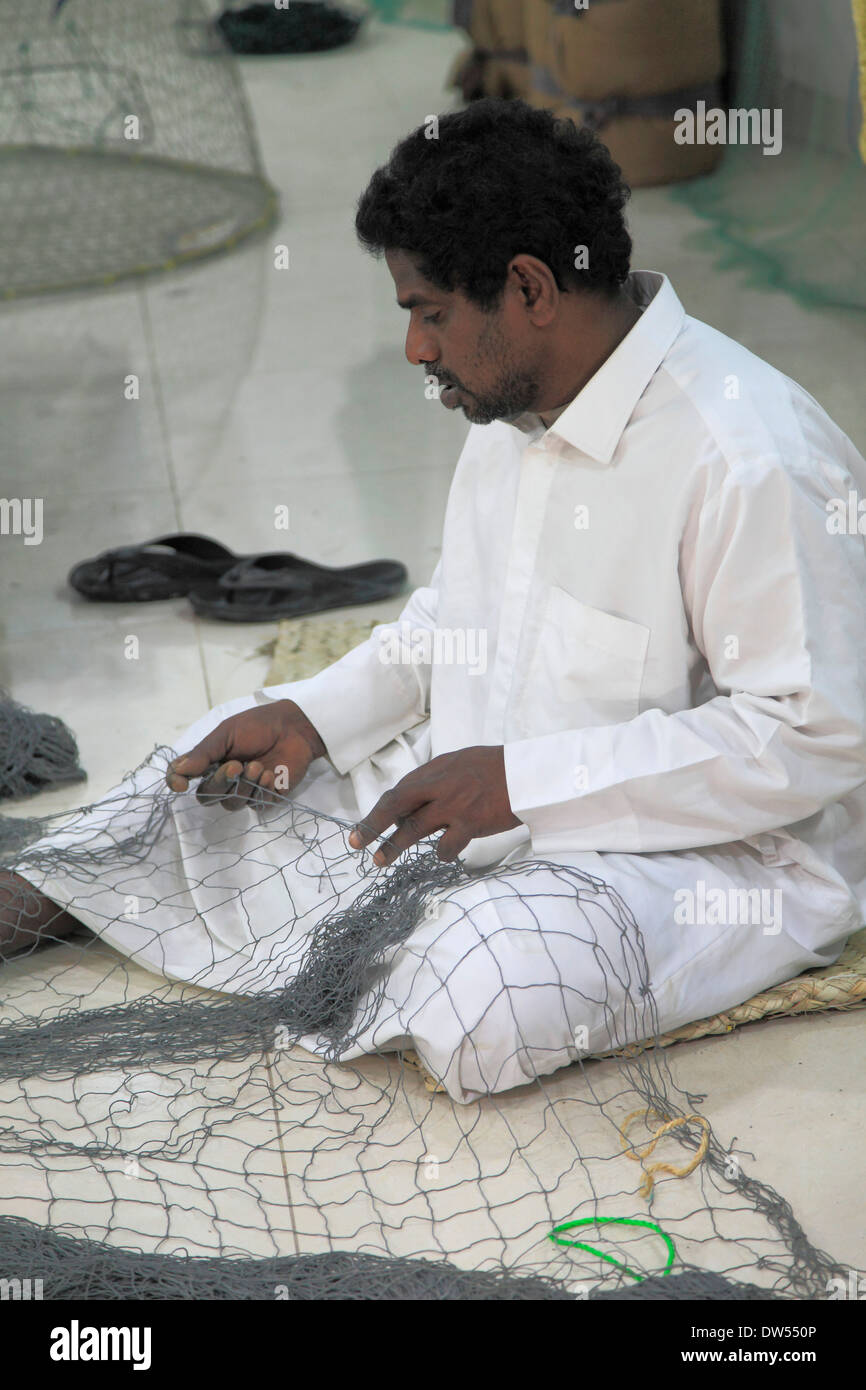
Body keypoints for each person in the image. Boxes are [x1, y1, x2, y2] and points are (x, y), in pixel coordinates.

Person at [2, 100, 865, 1103]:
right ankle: (51, 896)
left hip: (702, 858)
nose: (416, 350)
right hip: (469, 791)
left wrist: (521, 784)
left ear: (529, 287)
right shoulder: (510, 399)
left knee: (487, 985)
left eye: (429, 311)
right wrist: (314, 716)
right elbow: (452, 621)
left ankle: (356, 932)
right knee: (200, 777)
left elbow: (810, 738)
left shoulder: (747, 458)